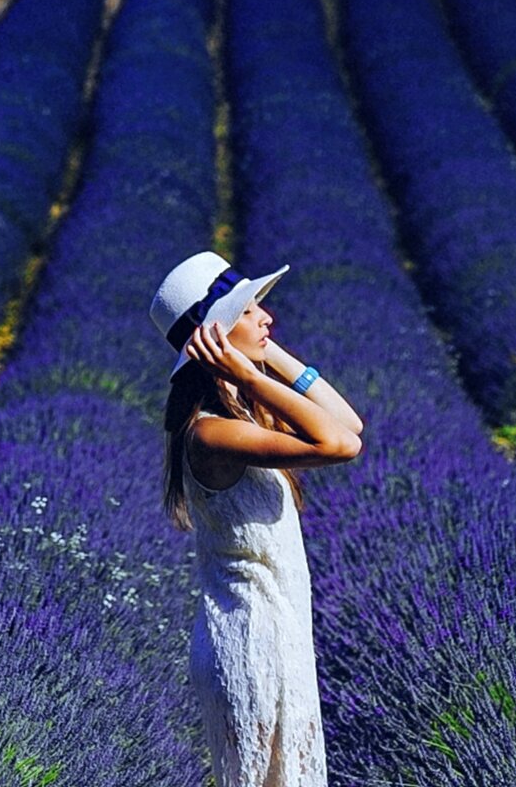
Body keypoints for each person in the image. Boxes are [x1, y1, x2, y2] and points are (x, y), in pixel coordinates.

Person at [149, 250, 363, 786]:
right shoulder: (213, 433)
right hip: (250, 642)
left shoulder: (242, 416)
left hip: (277, 633)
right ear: (216, 338)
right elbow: (338, 444)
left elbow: (350, 424)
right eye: (248, 311)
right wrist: (247, 369)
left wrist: (264, 357)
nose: (266, 317)